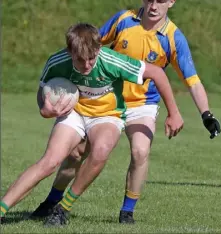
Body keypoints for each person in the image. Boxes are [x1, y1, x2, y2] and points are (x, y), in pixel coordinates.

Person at [28, 0, 221, 224]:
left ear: (171, 2)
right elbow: (92, 45)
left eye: (160, 1)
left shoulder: (174, 38)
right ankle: (52, 201)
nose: (153, 6)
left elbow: (192, 80)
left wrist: (206, 114)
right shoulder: (123, 20)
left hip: (142, 105)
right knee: (76, 153)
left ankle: (127, 212)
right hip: (106, 100)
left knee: (141, 150)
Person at [0, 22, 184, 226]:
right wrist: (45, 109)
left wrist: (173, 113)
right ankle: (2, 209)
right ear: (70, 52)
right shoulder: (56, 62)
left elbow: (157, 73)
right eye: (80, 60)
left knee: (101, 150)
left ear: (98, 50)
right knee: (50, 162)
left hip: (107, 115)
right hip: (75, 112)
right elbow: (42, 91)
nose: (87, 65)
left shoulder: (111, 60)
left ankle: (62, 209)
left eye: (91, 59)